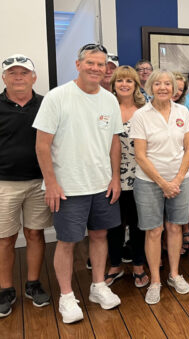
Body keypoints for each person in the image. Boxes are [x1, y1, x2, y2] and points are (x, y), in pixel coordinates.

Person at [34, 44, 122, 323]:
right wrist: (51, 183)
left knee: (99, 236)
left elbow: (114, 141)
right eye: (90, 63)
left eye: (101, 64)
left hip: (101, 184)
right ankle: (67, 296)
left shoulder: (109, 99)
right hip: (68, 187)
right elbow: (42, 144)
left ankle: (98, 286)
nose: (96, 68)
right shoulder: (57, 97)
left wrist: (115, 177)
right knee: (68, 242)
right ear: (78, 64)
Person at [129, 70, 189, 304]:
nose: (163, 87)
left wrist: (176, 180)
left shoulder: (183, 112)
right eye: (158, 83)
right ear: (150, 87)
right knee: (154, 231)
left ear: (175, 88)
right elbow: (140, 155)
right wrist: (163, 183)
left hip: (181, 179)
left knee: (175, 228)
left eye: (168, 83)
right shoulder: (141, 115)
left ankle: (174, 275)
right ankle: (155, 281)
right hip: (149, 182)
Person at [0, 55, 52, 317]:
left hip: (38, 181)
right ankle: (5, 290)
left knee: (35, 234)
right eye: (12, 73)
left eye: (24, 72)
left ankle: (33, 284)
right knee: (5, 238)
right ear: (4, 78)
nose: (18, 77)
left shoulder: (46, 105)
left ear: (34, 77)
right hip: (4, 183)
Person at [104, 66, 148, 288]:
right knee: (114, 225)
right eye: (119, 80)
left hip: (141, 175)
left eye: (129, 81)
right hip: (111, 176)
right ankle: (115, 264)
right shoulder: (105, 107)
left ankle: (139, 264)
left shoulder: (145, 109)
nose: (124, 84)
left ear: (135, 85)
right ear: (113, 84)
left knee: (138, 224)